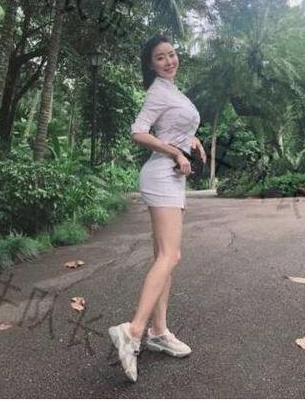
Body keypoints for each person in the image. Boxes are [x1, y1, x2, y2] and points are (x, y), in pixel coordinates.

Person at [108, 34, 206, 382]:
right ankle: (133, 330)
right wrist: (176, 152)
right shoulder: (157, 91)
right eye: (160, 57)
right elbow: (138, 132)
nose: (169, 61)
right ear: (151, 65)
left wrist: (190, 140)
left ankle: (159, 332)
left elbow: (172, 127)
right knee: (170, 256)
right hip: (162, 175)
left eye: (172, 54)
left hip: (173, 178)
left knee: (163, 258)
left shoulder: (173, 91)